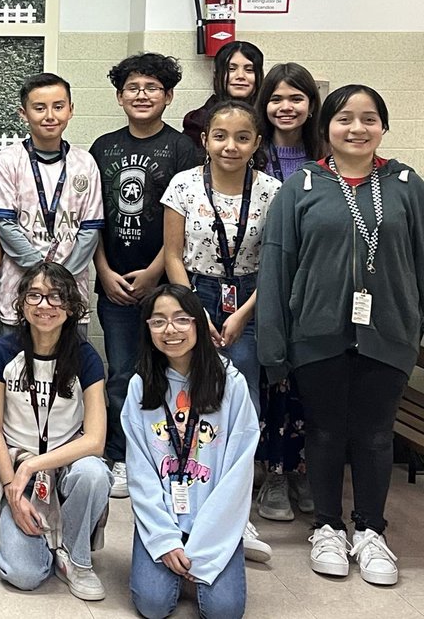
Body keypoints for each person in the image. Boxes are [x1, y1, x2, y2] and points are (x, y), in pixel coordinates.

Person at [258, 84, 424, 586]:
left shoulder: (405, 184)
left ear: (384, 127)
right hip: (317, 332)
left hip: (388, 334)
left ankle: (372, 531)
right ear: (326, 128)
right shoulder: (301, 186)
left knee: (375, 435)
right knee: (325, 432)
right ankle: (327, 526)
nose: (357, 128)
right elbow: (278, 266)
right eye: (345, 119)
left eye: (369, 119)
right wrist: (274, 345)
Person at [161, 100, 278, 562]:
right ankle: (183, 504)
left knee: (238, 405)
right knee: (184, 400)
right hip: (193, 294)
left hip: (249, 298)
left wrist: (245, 312)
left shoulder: (272, 192)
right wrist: (195, 310)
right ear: (205, 140)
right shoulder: (183, 186)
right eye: (221, 136)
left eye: (243, 137)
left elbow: (275, 264)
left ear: (256, 143)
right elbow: (172, 255)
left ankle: (236, 514)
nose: (231, 146)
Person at [91, 53, 198, 500]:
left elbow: (187, 219)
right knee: (120, 375)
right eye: (132, 88)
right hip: (112, 284)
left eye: (151, 87)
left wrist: (155, 273)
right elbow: (90, 219)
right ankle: (118, 456)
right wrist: (104, 271)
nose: (141, 94)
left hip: (165, 286)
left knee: (164, 372)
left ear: (168, 96)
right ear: (119, 97)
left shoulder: (183, 150)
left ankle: (162, 455)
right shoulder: (102, 147)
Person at [125, 285, 259, 619]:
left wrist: (209, 542)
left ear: (199, 323)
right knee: (153, 605)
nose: (170, 330)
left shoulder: (231, 383)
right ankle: (173, 556)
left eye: (181, 320)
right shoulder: (140, 385)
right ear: (148, 329)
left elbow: (238, 472)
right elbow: (139, 473)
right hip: (164, 515)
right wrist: (164, 539)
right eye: (158, 322)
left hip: (214, 518)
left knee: (224, 612)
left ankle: (223, 551)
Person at [0, 263, 111, 602]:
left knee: (95, 473)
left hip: (66, 466)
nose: (45, 305)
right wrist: (12, 485)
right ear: (21, 303)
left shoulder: (86, 357)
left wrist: (34, 466)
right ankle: (39, 540)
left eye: (56, 297)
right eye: (35, 295)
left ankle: (76, 557)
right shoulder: (2, 353)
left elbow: (95, 440)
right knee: (25, 575)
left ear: (71, 307)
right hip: (19, 471)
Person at [252, 63, 321, 522]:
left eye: (295, 98)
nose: (285, 107)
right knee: (269, 381)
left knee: (307, 385)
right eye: (276, 98)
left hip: (313, 288)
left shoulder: (328, 159)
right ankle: (272, 474)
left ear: (311, 105)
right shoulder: (251, 156)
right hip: (258, 285)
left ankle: (302, 471)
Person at [0, 72, 104, 331]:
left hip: (70, 287)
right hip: (20, 286)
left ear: (71, 110)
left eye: (58, 106)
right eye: (39, 108)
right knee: (15, 366)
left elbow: (90, 229)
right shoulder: (8, 161)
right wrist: (40, 276)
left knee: (71, 366)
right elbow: (5, 225)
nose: (50, 116)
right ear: (23, 112)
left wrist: (60, 279)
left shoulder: (85, 163)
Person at [180, 41, 264, 150]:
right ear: (217, 74)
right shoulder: (198, 121)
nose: (240, 76)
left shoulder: (268, 118)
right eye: (231, 69)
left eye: (249, 70)